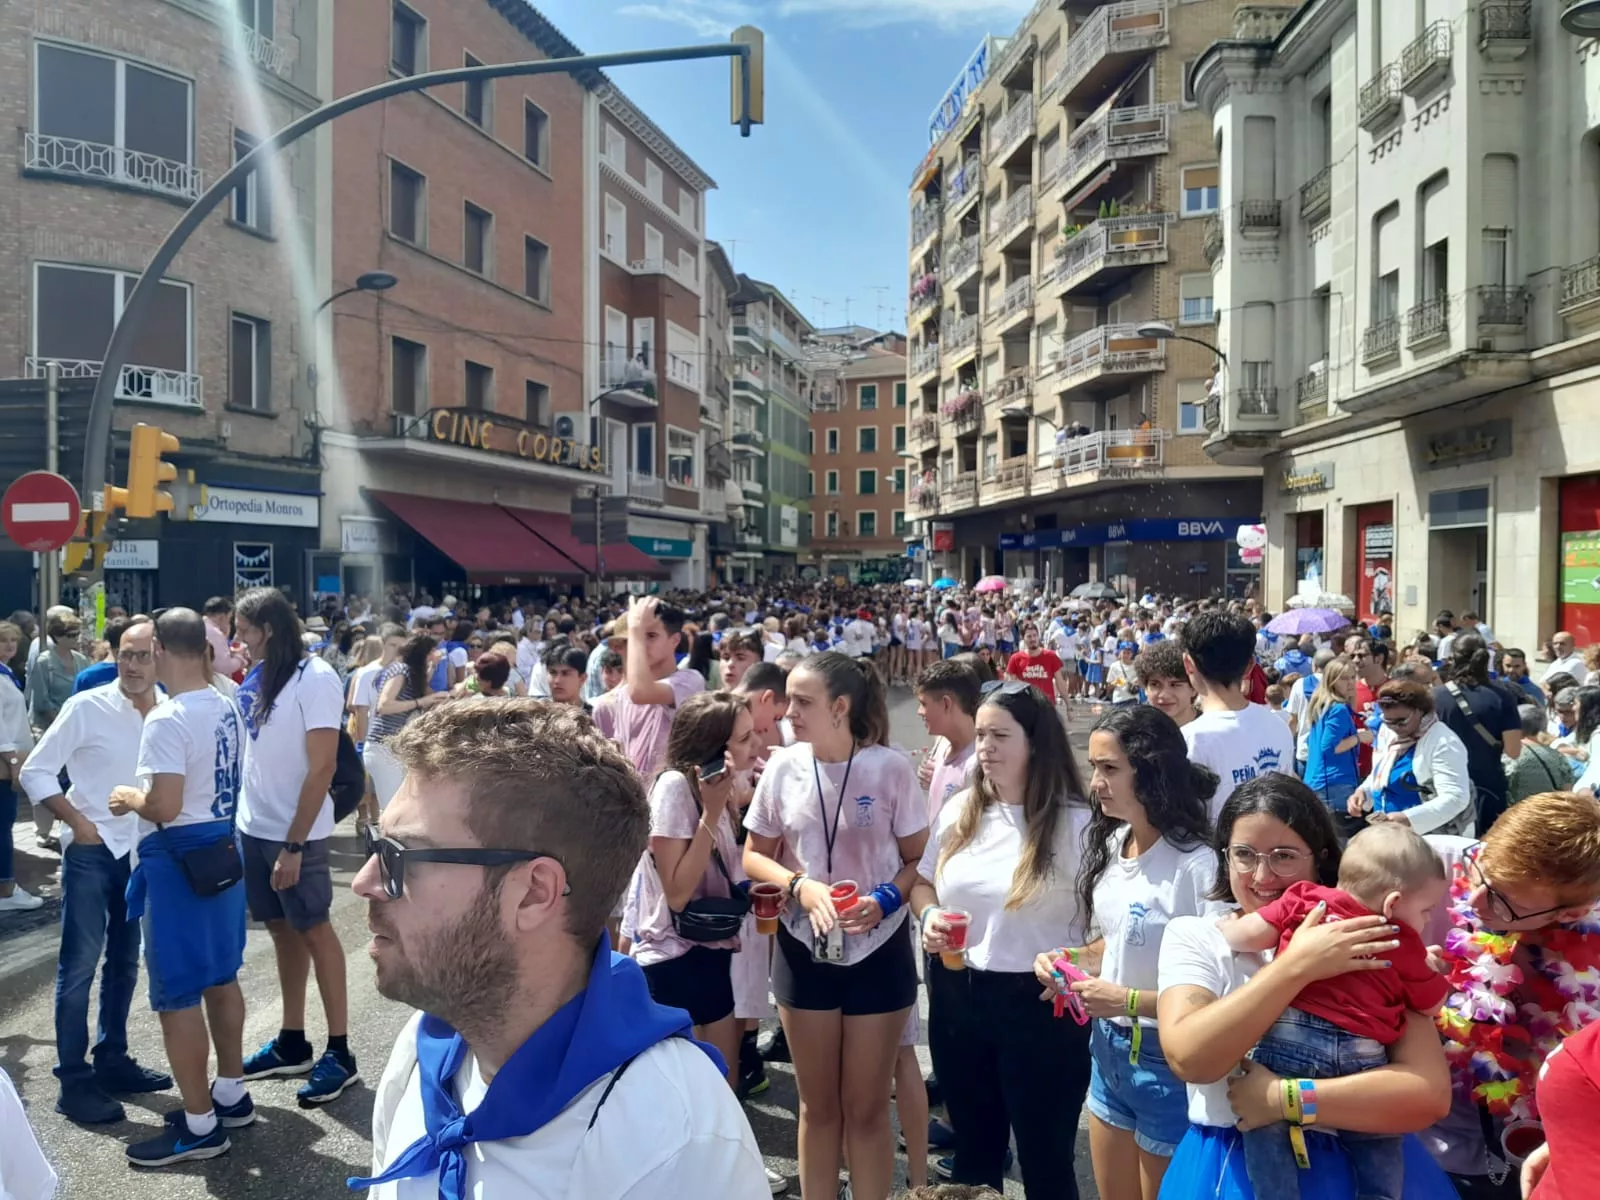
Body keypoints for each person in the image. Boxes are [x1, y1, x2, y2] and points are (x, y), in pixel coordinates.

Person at [353, 699, 770, 1197]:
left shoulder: (674, 1139)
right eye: (375, 847)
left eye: (403, 857)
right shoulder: (425, 1050)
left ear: (534, 893)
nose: (365, 882)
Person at [1152, 773, 1460, 1200]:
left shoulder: (1374, 934)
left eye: (1283, 856)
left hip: (1348, 1171)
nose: (1261, 874)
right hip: (1232, 1171)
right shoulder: (1198, 935)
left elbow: (1427, 1095)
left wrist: (1284, 1098)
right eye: (1243, 854)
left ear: (1321, 858)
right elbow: (1190, 1057)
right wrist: (1296, 966)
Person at [742, 652, 928, 1200]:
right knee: (817, 1108)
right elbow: (755, 854)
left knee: (867, 1109)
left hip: (878, 949)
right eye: (787, 699)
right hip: (804, 949)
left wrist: (886, 898)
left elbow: (921, 859)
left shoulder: (889, 769)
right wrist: (801, 886)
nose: (787, 711)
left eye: (802, 702)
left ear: (840, 707)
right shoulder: (783, 766)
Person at [913, 681, 1094, 1196]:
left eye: (1000, 735)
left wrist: (1083, 963)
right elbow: (924, 883)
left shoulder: (1082, 824)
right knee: (974, 1155)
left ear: (1035, 742)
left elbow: (1106, 923)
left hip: (1041, 1003)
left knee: (1046, 1161)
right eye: (981, 734)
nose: (985, 747)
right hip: (957, 993)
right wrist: (927, 917)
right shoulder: (961, 811)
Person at [1040, 705, 1220, 1200]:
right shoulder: (1118, 842)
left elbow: (1219, 997)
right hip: (1107, 1053)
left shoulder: (1199, 866)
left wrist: (1125, 1001)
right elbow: (1118, 942)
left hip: (1167, 1062)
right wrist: (1072, 958)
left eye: (1109, 768)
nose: (1095, 781)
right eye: (1094, 766)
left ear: (1152, 769)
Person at [1219, 823, 1451, 1200]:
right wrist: (1428, 968)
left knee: (1264, 1127)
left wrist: (1229, 926)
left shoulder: (1305, 898)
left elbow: (1246, 937)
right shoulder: (1401, 939)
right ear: (1392, 904)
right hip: (1362, 1058)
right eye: (1425, 911)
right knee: (1377, 1137)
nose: (1425, 921)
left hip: (1289, 1041)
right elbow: (1431, 1004)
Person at [108, 608, 251, 1167]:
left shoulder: (167, 718)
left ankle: (199, 1125)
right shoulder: (227, 701)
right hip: (222, 846)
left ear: (164, 649)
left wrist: (128, 797)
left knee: (176, 994)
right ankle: (231, 1094)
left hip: (179, 857)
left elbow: (164, 804)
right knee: (221, 974)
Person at [19, 619, 172, 1121]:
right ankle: (73, 1082)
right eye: (124, 654)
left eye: (142, 655)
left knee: (126, 963)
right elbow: (34, 770)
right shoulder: (87, 706)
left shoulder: (171, 708)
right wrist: (78, 823)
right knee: (79, 967)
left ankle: (112, 1059)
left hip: (141, 853)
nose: (131, 665)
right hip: (90, 850)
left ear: (161, 657)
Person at [1419, 792, 1600, 1198]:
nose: (1476, 899)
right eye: (1481, 871)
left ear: (1569, 913)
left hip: (1517, 1163)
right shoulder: (1433, 864)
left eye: (1504, 900)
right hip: (1415, 1142)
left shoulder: (1589, 976)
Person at [231, 588, 357, 1106]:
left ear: (270, 630)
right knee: (283, 933)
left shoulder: (317, 678)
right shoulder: (261, 677)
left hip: (293, 834)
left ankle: (341, 1051)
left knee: (315, 931)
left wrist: (295, 843)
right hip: (254, 826)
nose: (237, 640)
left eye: (244, 630)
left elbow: (323, 766)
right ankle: (292, 1040)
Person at [628, 692, 762, 1141]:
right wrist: (710, 810)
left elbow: (715, 869)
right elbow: (679, 893)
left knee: (721, 1081)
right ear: (714, 746)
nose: (756, 746)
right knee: (681, 1091)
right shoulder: (674, 788)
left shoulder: (715, 786)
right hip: (672, 955)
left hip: (711, 947)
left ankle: (723, 1168)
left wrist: (749, 890)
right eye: (744, 738)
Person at [1180, 611, 1296, 818]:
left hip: (1212, 848)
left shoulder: (1189, 740)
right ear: (1250, 665)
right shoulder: (1278, 726)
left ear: (1188, 664)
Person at [1348, 680, 1474, 836]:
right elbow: (1381, 772)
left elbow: (1456, 798)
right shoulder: (1387, 731)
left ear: (1420, 711)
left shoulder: (1444, 742)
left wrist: (1408, 819)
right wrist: (1363, 792)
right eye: (1388, 721)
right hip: (1390, 834)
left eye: (1401, 721)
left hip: (1429, 839)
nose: (1395, 727)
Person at [611, 597, 705, 780]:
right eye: (637, 637)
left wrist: (637, 628)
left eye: (651, 636)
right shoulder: (623, 695)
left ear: (675, 640)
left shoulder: (690, 681)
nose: (641, 644)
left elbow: (641, 693)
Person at [1434, 634, 1522, 830]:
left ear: (1453, 658)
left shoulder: (1436, 696)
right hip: (1487, 787)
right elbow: (1513, 750)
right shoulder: (1502, 696)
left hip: (1444, 788)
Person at [367, 634, 446, 811]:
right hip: (382, 746)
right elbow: (384, 705)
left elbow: (421, 690)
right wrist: (421, 702)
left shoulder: (410, 672)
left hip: (393, 747)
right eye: (431, 651)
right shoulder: (401, 670)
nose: (436, 654)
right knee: (391, 807)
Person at [1302, 658, 1374, 841]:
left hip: (1318, 782)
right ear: (1331, 681)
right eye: (1344, 679)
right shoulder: (1338, 709)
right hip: (1335, 784)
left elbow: (1314, 742)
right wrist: (1358, 738)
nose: (1350, 683)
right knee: (1344, 843)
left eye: (1352, 677)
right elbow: (1328, 747)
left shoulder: (1322, 706)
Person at [916, 660, 981, 825]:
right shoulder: (942, 745)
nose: (919, 712)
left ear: (946, 704)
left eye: (924, 704)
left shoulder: (980, 763)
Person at [0, 619, 36, 912]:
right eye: (3, 641)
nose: (10, 646)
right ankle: (6, 889)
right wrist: (12, 761)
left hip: (11, 756)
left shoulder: (7, 673)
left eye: (13, 640)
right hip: (4, 761)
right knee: (3, 826)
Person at [1506, 704, 1576, 802]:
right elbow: (1567, 791)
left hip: (1520, 814)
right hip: (1552, 813)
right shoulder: (1558, 756)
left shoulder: (1509, 756)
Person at [1136, 641, 1196, 729]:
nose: (1164, 695)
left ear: (1194, 688)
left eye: (1174, 685)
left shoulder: (1212, 732)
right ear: (1145, 689)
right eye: (1155, 684)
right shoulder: (1135, 731)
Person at [1005, 623, 1067, 705]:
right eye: (1029, 636)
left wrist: (1068, 705)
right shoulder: (1015, 658)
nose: (1033, 639)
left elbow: (1060, 681)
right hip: (1026, 705)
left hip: (1047, 706)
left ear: (1038, 636)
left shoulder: (1051, 656)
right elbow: (1011, 684)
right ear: (1023, 638)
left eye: (1035, 635)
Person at [544, 642, 593, 711]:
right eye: (553, 673)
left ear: (582, 678)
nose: (557, 681)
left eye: (565, 673)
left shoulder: (595, 718)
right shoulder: (537, 718)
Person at [1107, 641, 1140, 707]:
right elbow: (1109, 686)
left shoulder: (1137, 666)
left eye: (1128, 653)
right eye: (1124, 652)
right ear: (1120, 652)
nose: (1126, 655)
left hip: (1133, 699)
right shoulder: (1114, 666)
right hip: (1119, 699)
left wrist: (1138, 683)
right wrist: (1118, 682)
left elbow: (1143, 682)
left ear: (1132, 654)